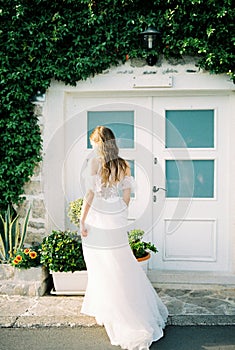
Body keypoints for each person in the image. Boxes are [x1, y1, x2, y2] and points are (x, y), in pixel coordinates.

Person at [80, 126, 168, 350]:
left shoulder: (94, 163)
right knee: (121, 263)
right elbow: (127, 197)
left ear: (100, 142)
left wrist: (82, 220)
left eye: (94, 142)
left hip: (99, 219)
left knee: (103, 265)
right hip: (116, 219)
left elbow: (90, 194)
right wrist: (118, 213)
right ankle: (123, 307)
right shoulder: (123, 164)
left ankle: (113, 310)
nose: (92, 146)